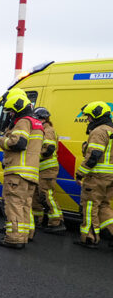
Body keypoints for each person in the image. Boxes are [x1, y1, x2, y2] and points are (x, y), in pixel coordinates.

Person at [0, 90, 43, 249]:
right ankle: (23, 235)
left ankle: (14, 239)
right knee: (25, 206)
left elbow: (18, 143)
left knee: (14, 205)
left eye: (11, 112)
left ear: (18, 109)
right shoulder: (37, 123)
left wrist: (1, 140)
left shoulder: (23, 122)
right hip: (31, 173)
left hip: (18, 172)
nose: (10, 115)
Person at [74, 101, 113, 249]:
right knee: (103, 206)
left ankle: (89, 238)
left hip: (97, 177)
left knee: (90, 207)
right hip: (109, 178)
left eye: (89, 116)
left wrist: (80, 174)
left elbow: (94, 156)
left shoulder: (99, 131)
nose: (88, 119)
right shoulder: (110, 130)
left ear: (97, 115)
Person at [30, 107, 66, 234]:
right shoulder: (41, 130)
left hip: (47, 169)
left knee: (46, 196)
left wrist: (34, 157)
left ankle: (57, 222)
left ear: (43, 119)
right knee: (36, 195)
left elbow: (49, 149)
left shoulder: (48, 130)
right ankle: (37, 220)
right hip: (40, 169)